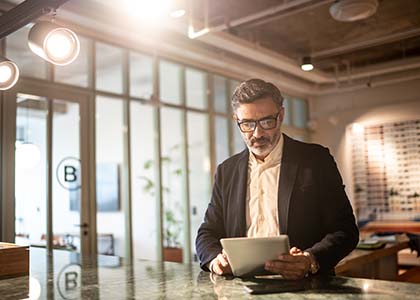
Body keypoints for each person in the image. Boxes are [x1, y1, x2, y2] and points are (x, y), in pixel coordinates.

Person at [196, 78, 359, 279]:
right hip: (243, 290)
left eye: (266, 122)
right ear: (236, 120)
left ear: (281, 115)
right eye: (247, 124)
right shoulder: (226, 171)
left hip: (305, 288)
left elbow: (345, 231)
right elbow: (207, 232)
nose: (257, 133)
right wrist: (215, 260)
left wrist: (310, 260)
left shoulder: (316, 160)